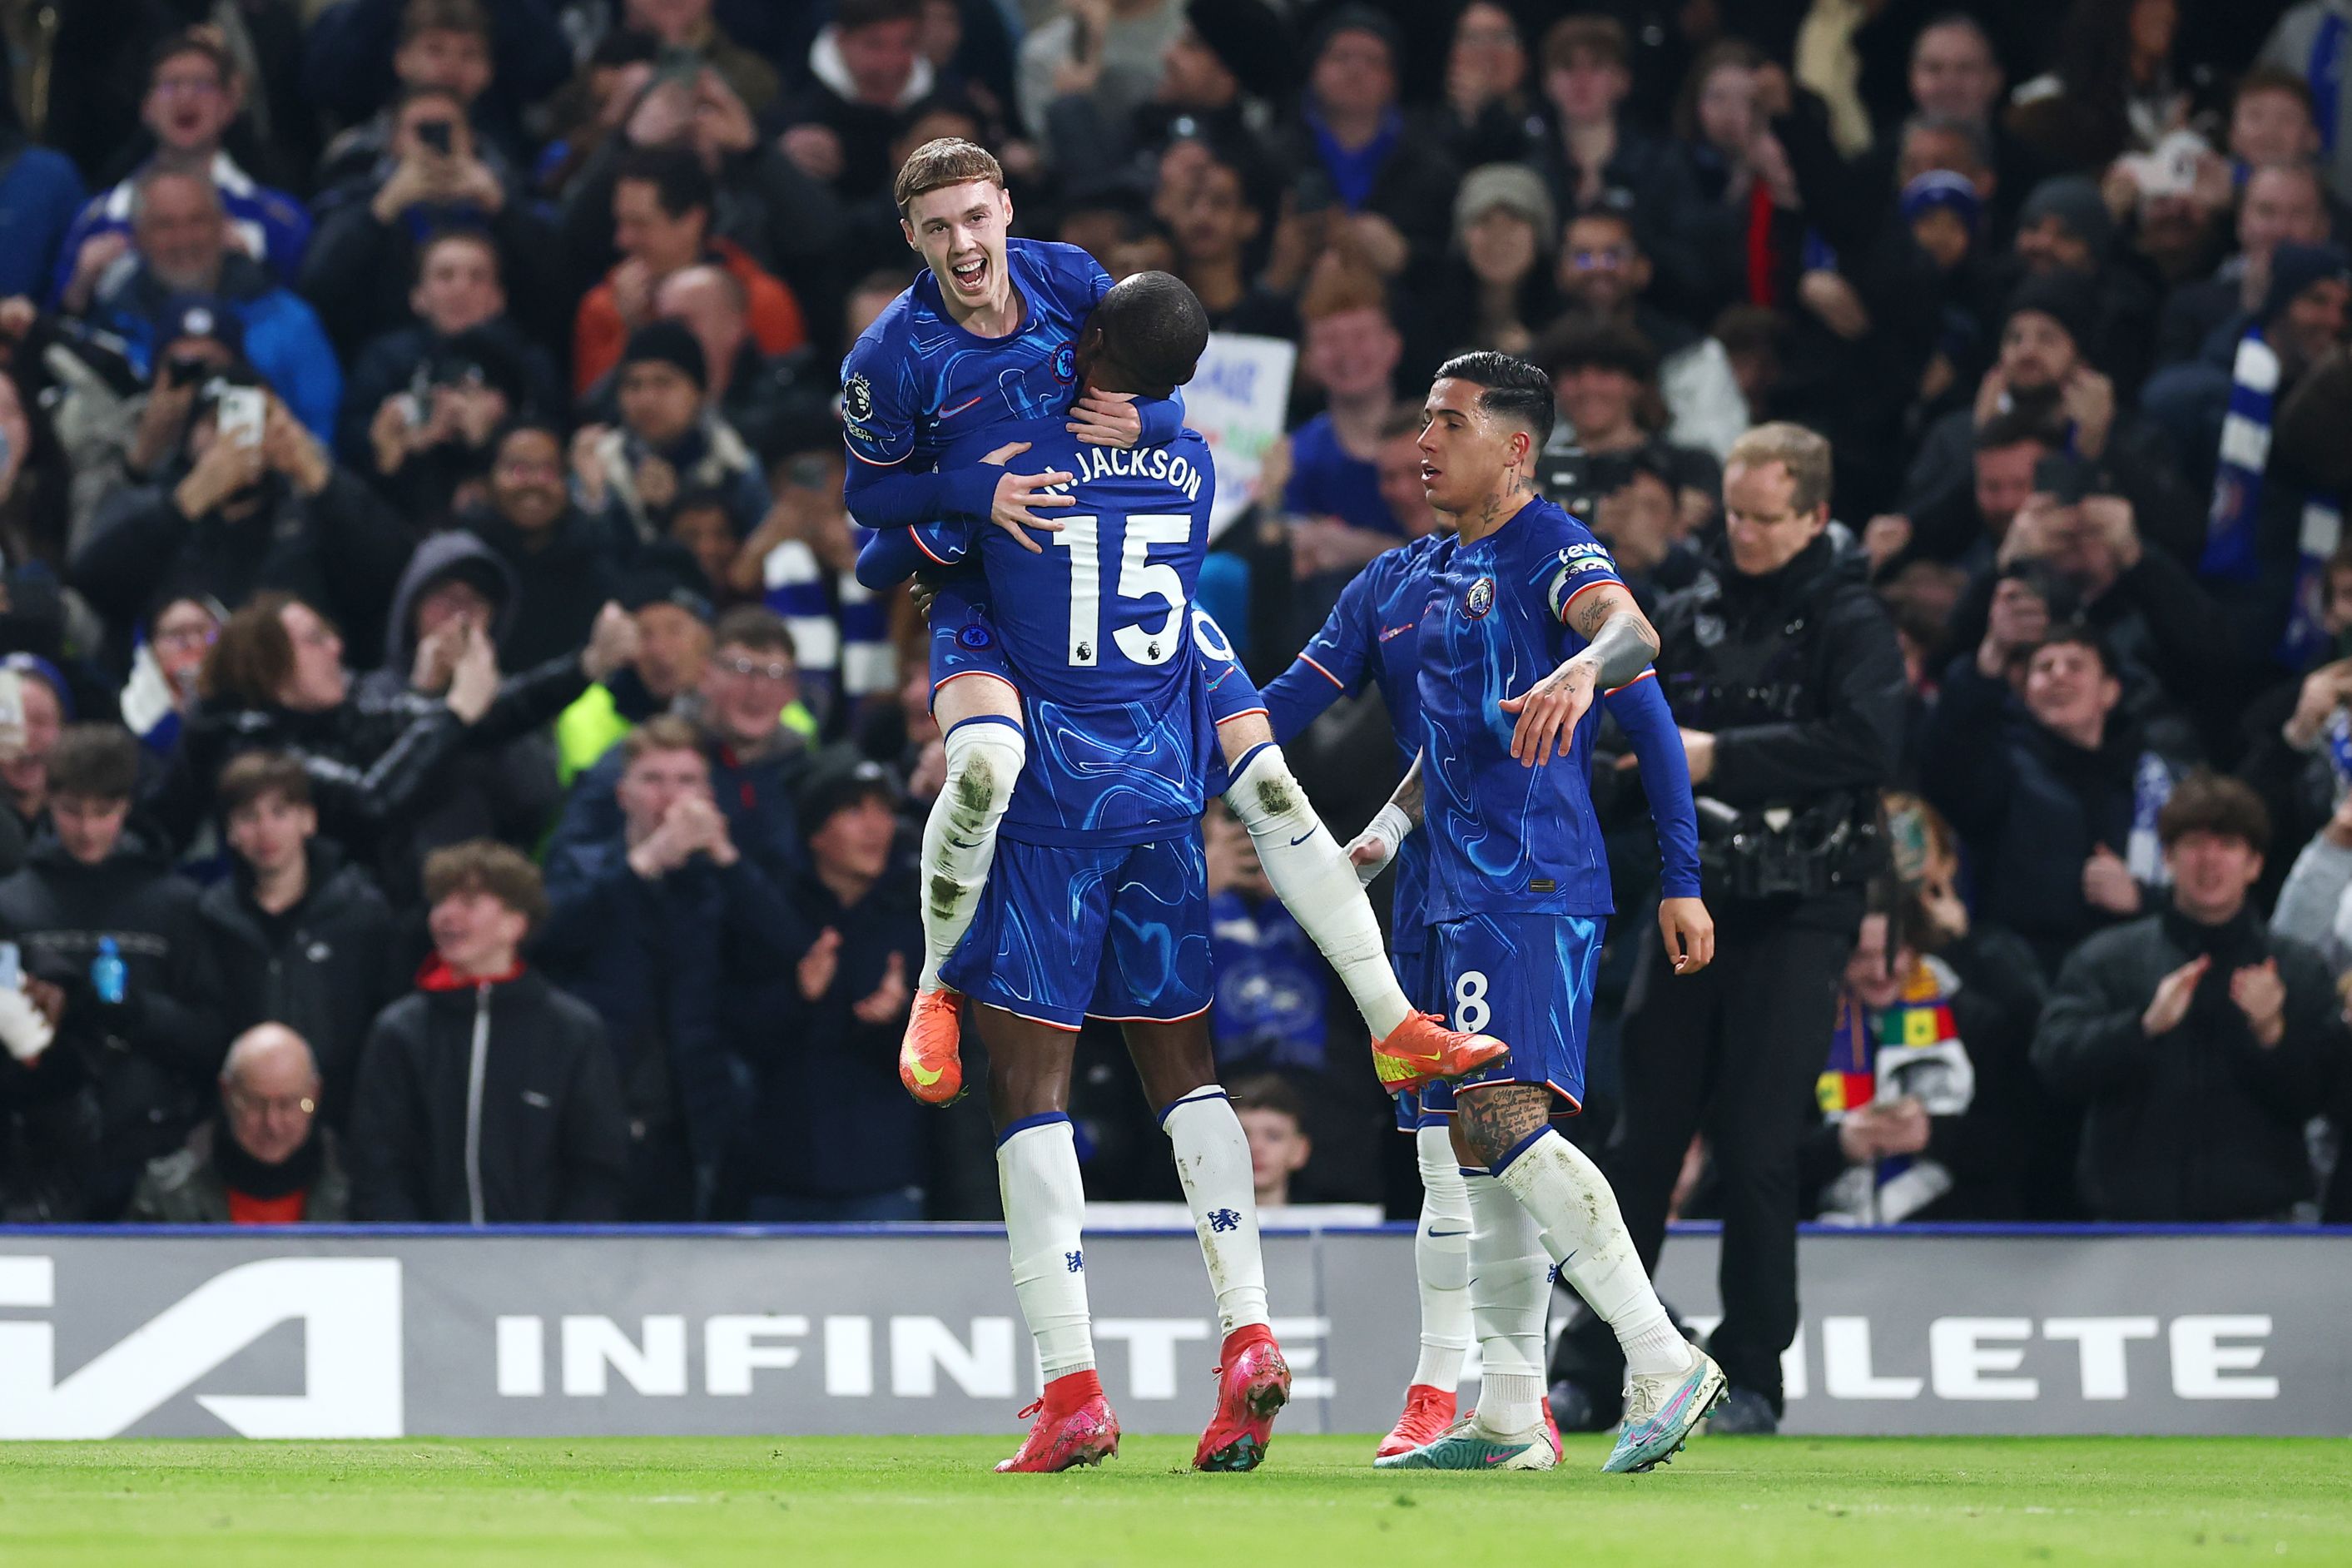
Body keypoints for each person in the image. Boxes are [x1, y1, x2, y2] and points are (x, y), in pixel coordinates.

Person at [845, 144, 1494, 1114]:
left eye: (976, 218)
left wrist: (1151, 426)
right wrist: (975, 493)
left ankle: (1395, 1023)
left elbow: (1162, 379)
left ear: (1005, 210)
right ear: (912, 236)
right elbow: (869, 511)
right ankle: (938, 986)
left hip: (1126, 580)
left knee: (1272, 781)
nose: (964, 243)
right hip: (993, 578)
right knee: (981, 774)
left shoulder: (1069, 277)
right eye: (938, 227)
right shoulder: (890, 356)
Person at [896, 270, 1291, 1474]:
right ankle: (1249, 1340)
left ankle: (1072, 1388)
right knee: (1188, 1081)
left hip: (1052, 808)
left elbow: (907, 537)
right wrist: (1164, 418)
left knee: (1032, 1097)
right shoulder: (1194, 466)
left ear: (1095, 341)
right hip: (1166, 805)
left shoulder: (1025, 451)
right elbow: (1162, 422)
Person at [1257, 426, 1707, 1462]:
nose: (1421, 441)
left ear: (1513, 449)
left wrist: (1680, 876)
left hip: (1531, 883)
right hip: (1435, 896)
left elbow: (1636, 664)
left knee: (1503, 1120)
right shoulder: (1401, 580)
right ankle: (1510, 1411)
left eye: (1449, 424)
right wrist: (1179, 741)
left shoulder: (1554, 552)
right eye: (1417, 421)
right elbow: (1295, 711)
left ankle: (1660, 1354)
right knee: (1462, 1150)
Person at [1551, 421, 1907, 1440]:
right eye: (1734, 515)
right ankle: (1597, 1355)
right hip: (1693, 891)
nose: (1742, 534)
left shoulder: (1852, 618)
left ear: (1815, 516)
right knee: (1644, 1136)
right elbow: (1632, 727)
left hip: (1802, 904)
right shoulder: (1689, 603)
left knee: (1758, 1143)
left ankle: (1754, 1370)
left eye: (1764, 519)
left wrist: (1718, 759)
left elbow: (1871, 741)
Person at [2034, 774, 2343, 1220]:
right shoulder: (2109, 958)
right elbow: (2054, 1064)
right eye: (2195, 843)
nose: (2210, 860)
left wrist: (2272, 1033)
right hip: (2130, 1228)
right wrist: (2142, 1027)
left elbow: (2320, 1099)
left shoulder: (2296, 968)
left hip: (2264, 1227)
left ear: (2254, 864)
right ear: (2168, 857)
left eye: (2229, 845)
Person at [538, 716, 806, 1220]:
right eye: (653, 780)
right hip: (597, 1103)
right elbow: (550, 939)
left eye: (686, 781)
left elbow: (784, 948)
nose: (670, 796)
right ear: (623, 795)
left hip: (693, 1111)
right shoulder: (580, 861)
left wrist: (726, 857)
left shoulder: (720, 873)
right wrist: (646, 863)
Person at [0, 724, 227, 1218]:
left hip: (155, 1153)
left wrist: (132, 1010)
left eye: (103, 812)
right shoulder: (12, 904)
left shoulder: (174, 906)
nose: (86, 830)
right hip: (34, 1159)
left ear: (127, 805)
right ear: (47, 800)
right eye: (71, 811)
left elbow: (213, 1036)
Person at [347, 841, 629, 1223]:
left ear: (515, 923)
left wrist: (561, 1259)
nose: (446, 915)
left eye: (468, 902)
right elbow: (378, 1166)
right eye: (440, 901)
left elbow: (596, 1168)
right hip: (423, 1267)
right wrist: (414, 1252)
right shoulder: (400, 1031)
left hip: (546, 1269)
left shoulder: (572, 1031)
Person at [725, 749, 921, 1221]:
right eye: (855, 811)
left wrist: (899, 1021)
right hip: (777, 1173)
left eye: (884, 812)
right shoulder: (773, 913)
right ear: (815, 831)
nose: (877, 828)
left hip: (884, 1177)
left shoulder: (917, 916)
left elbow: (953, 1057)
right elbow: (734, 1028)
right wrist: (798, 996)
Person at [197, 752, 403, 1129]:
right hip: (244, 1118)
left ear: (308, 820)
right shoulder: (212, 917)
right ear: (229, 832)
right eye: (248, 817)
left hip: (337, 1117)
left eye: (279, 812)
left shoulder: (362, 911)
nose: (265, 831)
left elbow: (382, 1018)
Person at [50, 30, 310, 312]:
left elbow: (305, 321)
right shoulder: (97, 219)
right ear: (146, 108)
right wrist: (79, 289)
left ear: (228, 105)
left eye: (202, 85)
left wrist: (256, 273)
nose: (185, 98)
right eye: (171, 85)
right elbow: (55, 331)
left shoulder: (279, 221)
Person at [76, 170, 341, 441]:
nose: (184, 239)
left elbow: (323, 440)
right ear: (138, 236)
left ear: (223, 226)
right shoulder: (108, 335)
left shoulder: (291, 323)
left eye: (197, 221)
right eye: (165, 225)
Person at [572, 146, 808, 398]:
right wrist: (632, 334)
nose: (622, 240)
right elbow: (593, 412)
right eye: (620, 222)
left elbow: (785, 396)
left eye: (640, 224)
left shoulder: (762, 301)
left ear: (692, 221)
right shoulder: (604, 307)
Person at [125, 1023, 353, 1224]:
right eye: (255, 1103)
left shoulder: (354, 1191)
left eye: (288, 1104)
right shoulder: (166, 1196)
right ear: (226, 1092)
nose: (272, 1124)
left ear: (314, 1094)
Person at [574, 320, 770, 545]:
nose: (646, 400)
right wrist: (597, 502)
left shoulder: (739, 468)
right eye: (633, 385)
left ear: (700, 393)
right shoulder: (597, 465)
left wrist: (676, 511)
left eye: (663, 383)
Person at [459, 420, 629, 672]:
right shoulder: (463, 559)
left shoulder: (591, 555)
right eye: (518, 469)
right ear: (489, 479)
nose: (534, 482)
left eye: (549, 470)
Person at [1231, 1074, 1310, 1209]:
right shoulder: (1185, 1223)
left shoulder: (1337, 1226)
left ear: (1299, 1150)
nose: (1256, 1147)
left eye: (1273, 1136)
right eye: (1241, 1135)